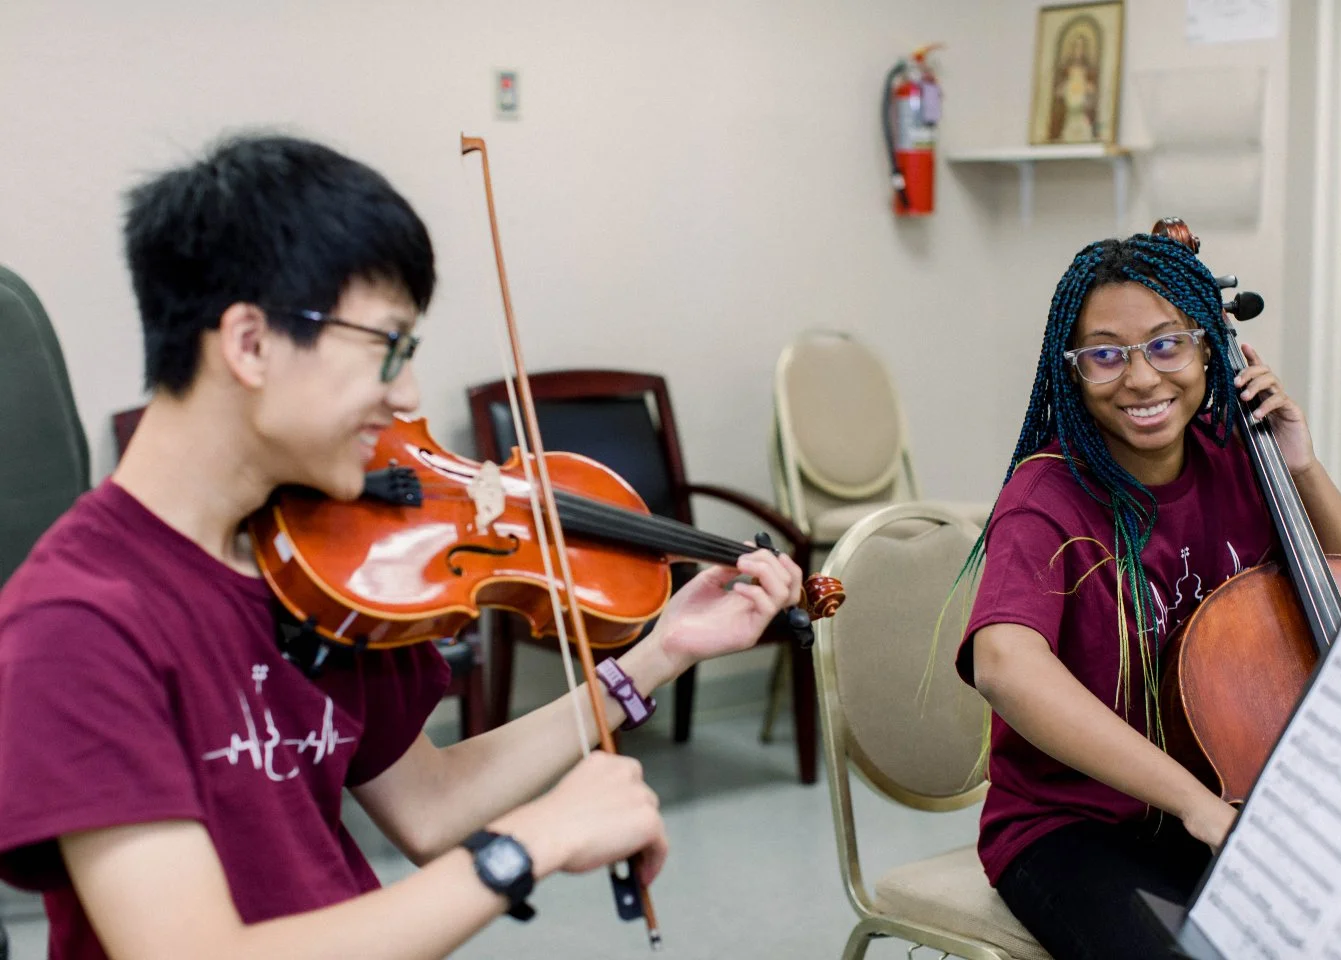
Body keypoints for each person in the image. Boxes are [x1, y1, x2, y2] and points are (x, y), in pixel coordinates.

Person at [0, 133, 803, 960]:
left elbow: (431, 805)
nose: (408, 393)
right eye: (388, 346)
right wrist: (528, 846)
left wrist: (659, 651)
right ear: (249, 343)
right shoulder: (76, 622)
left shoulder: (321, 567)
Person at [952, 231, 1341, 959]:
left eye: (1167, 344)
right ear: (1074, 373)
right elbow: (1004, 665)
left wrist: (1300, 465)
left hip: (1226, 801)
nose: (1142, 379)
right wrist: (1196, 807)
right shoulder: (1045, 496)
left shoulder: (1240, 461)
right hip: (1073, 826)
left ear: (1210, 349)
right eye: (1106, 354)